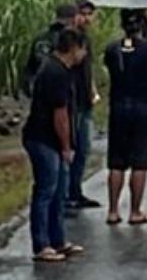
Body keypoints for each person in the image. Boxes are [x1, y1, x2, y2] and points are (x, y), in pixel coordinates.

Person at [21, 28, 88, 263]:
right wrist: (66, 146)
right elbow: (60, 116)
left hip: (49, 139)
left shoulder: (59, 69)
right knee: (46, 190)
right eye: (83, 49)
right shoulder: (56, 73)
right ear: (74, 48)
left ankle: (58, 240)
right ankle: (42, 244)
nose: (84, 55)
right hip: (43, 138)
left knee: (59, 191)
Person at [103, 10, 147, 226]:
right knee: (140, 162)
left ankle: (113, 211)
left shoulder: (112, 49)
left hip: (119, 109)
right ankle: (135, 211)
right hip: (145, 110)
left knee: (116, 162)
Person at [66, 0, 102, 211]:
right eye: (83, 14)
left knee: (84, 148)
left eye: (90, 14)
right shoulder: (68, 40)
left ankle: (75, 191)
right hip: (71, 102)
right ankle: (66, 194)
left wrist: (93, 90)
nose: (87, 18)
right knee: (71, 148)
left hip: (85, 99)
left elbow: (88, 68)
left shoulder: (86, 40)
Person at [23, 4, 81, 98]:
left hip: (38, 87)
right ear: (73, 19)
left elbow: (31, 65)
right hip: (59, 89)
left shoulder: (40, 37)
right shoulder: (69, 38)